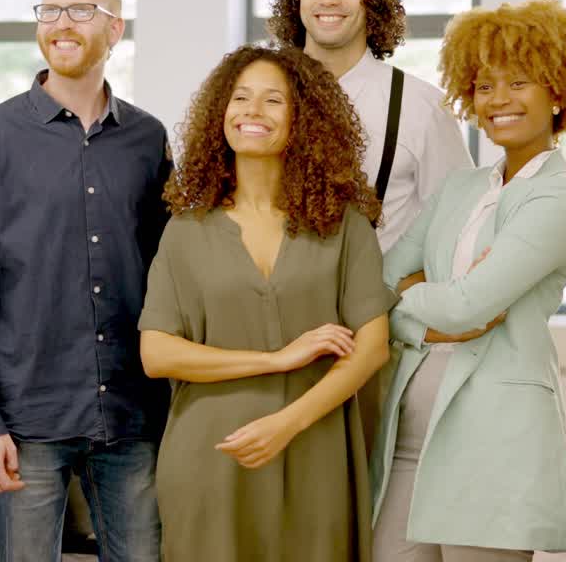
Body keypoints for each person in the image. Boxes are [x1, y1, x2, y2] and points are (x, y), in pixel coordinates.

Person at [0, 0, 171, 562]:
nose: (63, 24)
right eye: (51, 10)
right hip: (26, 423)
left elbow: (168, 282)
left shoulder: (149, 139)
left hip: (132, 417)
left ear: (114, 29)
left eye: (82, 10)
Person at [138, 45, 395, 562]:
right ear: (220, 113)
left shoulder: (343, 225)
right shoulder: (187, 230)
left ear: (305, 119)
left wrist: (287, 423)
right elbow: (157, 354)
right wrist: (277, 358)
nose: (252, 111)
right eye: (240, 97)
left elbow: (372, 350)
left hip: (315, 448)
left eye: (273, 100)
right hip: (211, 455)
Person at [372, 0, 566, 560]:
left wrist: (419, 298)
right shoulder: (459, 189)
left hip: (493, 434)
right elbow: (384, 282)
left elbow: (470, 307)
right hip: (407, 432)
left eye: (518, 82)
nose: (498, 100)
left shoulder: (561, 197)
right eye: (483, 86)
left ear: (559, 91)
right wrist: (427, 315)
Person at [268, 0, 472, 447]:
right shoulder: (257, 94)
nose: (328, 0)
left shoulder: (421, 107)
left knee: (361, 507)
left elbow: (454, 233)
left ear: (372, 0)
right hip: (267, 337)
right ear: (296, 0)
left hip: (372, 345)